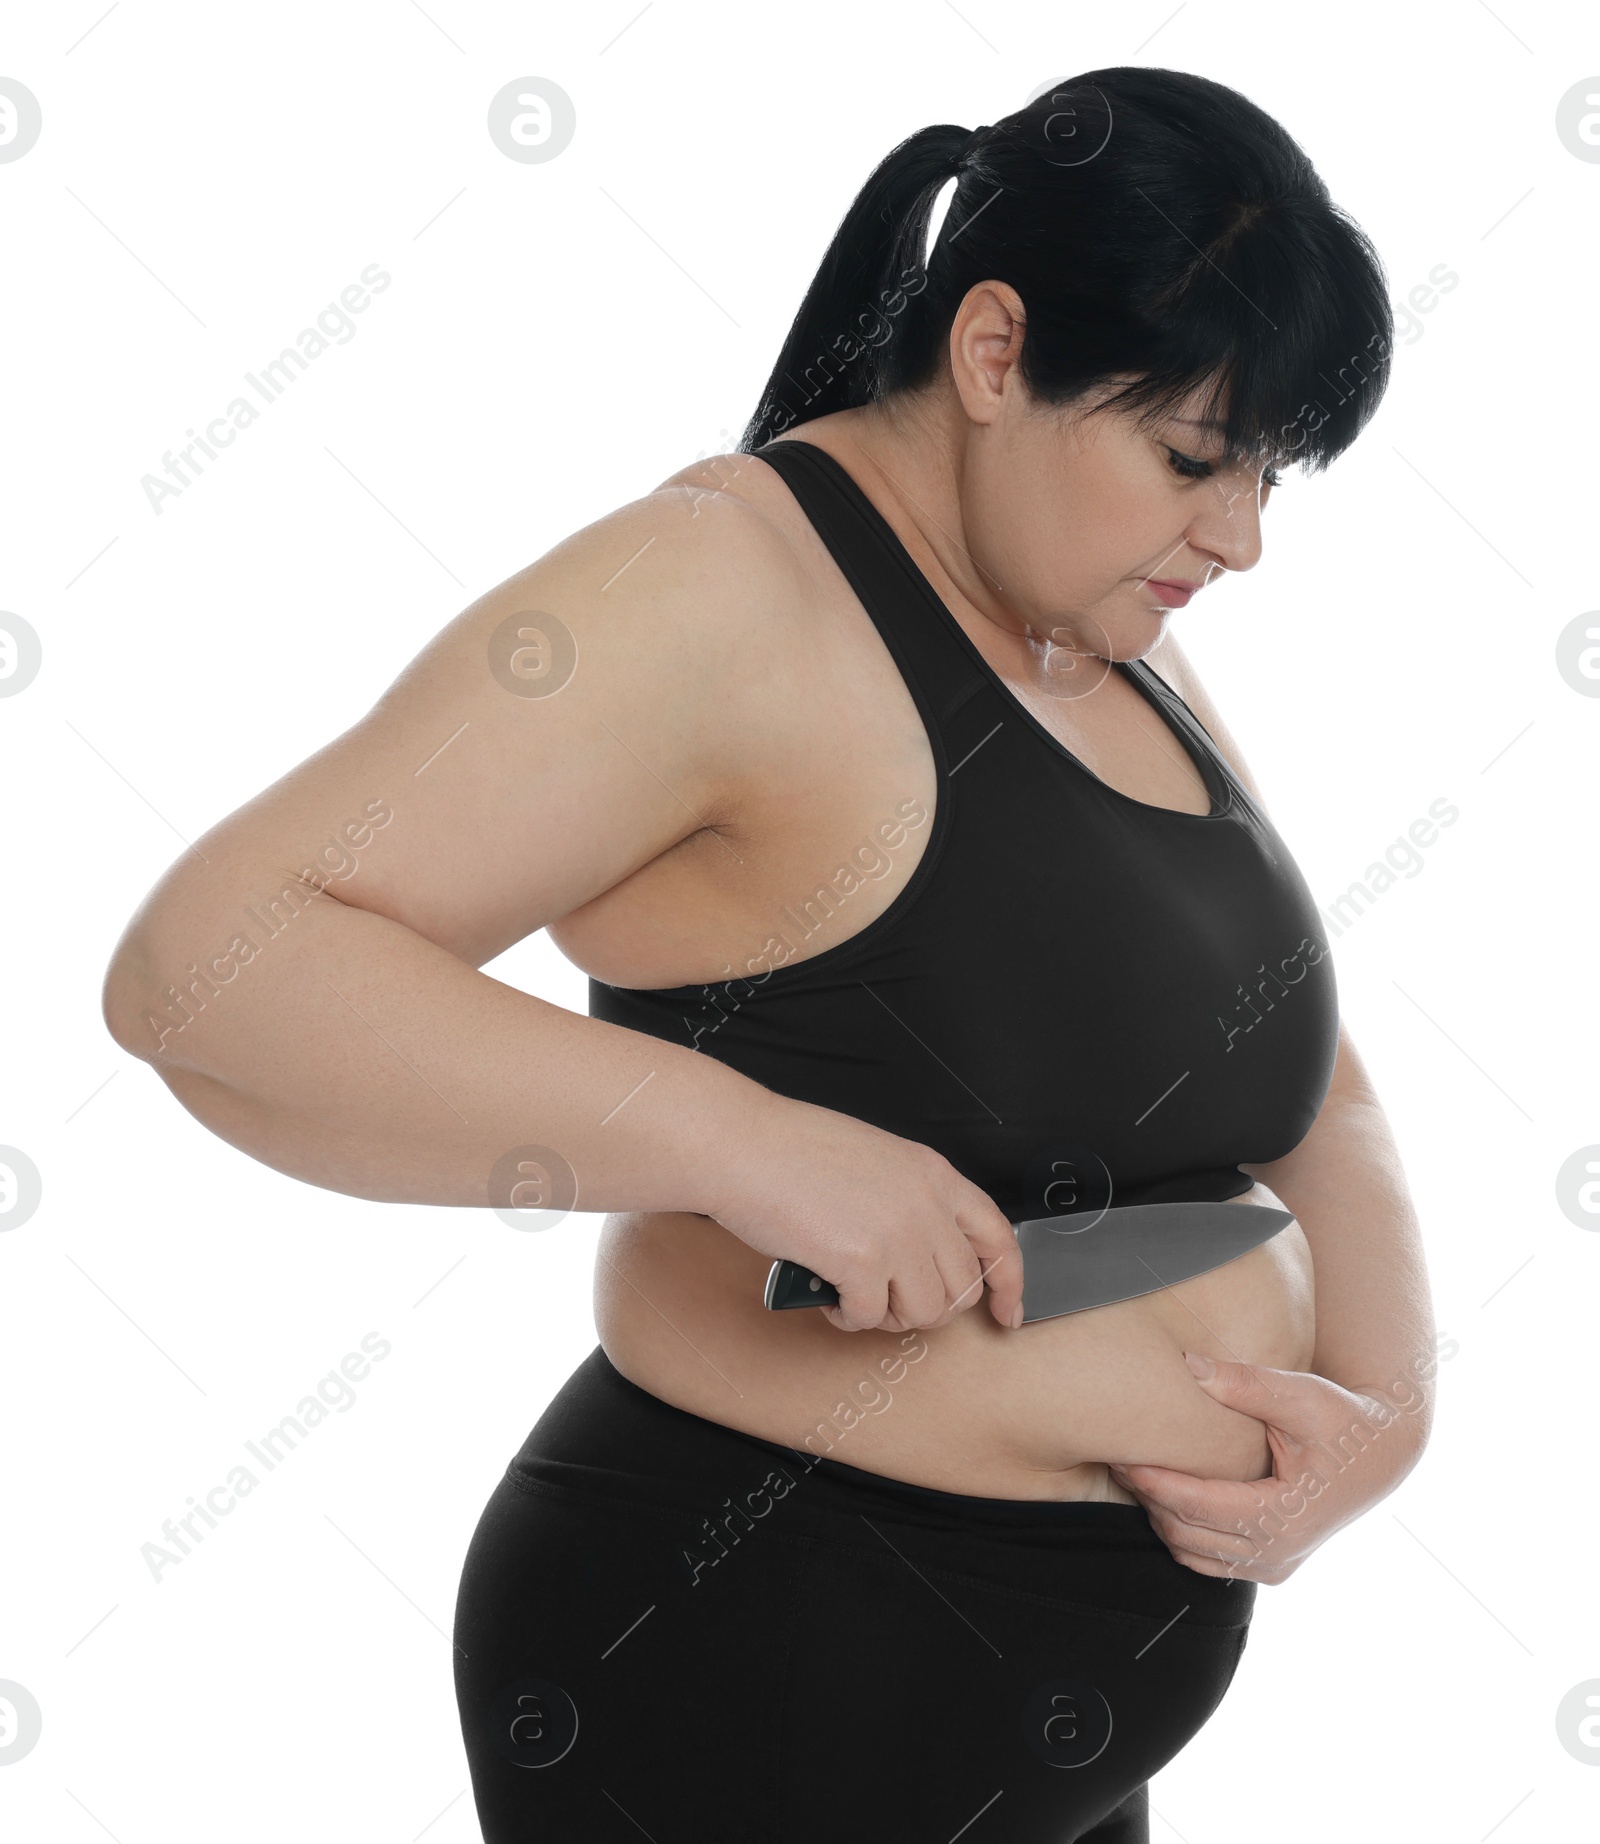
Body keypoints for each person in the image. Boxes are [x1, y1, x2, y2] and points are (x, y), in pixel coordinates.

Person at [103, 66, 1438, 1844]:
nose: (1242, 537)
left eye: (1270, 471)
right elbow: (209, 969)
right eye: (1195, 458)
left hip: (1047, 1724)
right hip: (755, 1654)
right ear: (990, 352)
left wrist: (1385, 1414)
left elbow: (1309, 1079)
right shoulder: (717, 592)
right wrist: (752, 1146)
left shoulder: (1097, 625)